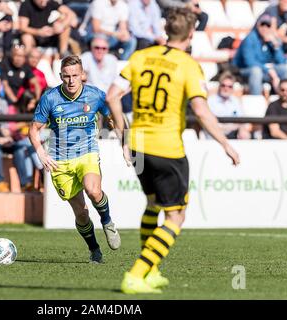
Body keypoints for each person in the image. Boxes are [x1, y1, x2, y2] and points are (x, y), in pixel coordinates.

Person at [106, 7, 240, 294]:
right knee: (176, 216)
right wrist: (226, 143)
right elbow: (201, 111)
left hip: (139, 146)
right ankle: (137, 274)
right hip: (167, 148)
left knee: (153, 203)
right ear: (191, 34)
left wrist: (123, 135)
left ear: (165, 30)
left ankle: (151, 272)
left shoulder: (139, 57)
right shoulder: (188, 65)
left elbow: (112, 95)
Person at [29, 55, 121, 263]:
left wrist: (122, 136)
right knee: (81, 213)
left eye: (74, 76)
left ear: (83, 75)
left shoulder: (95, 95)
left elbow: (113, 115)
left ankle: (107, 222)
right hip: (60, 161)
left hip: (86, 152)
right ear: (61, 76)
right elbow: (34, 129)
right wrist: (41, 152)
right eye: (66, 76)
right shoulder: (50, 98)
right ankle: (94, 249)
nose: (70, 81)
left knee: (94, 191)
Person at [233, 14, 287, 95]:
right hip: (242, 70)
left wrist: (275, 46)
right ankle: (256, 101)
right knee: (256, 71)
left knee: (283, 69)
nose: (265, 28)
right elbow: (249, 62)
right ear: (258, 25)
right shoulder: (250, 38)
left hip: (263, 70)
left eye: (268, 25)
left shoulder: (271, 40)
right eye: (263, 24)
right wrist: (268, 70)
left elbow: (281, 61)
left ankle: (284, 98)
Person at [206, 72, 252, 139]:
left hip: (233, 133)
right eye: (223, 85)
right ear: (219, 86)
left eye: (229, 86)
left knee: (245, 134)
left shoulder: (235, 101)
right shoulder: (211, 101)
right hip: (216, 134)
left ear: (232, 88)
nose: (226, 88)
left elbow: (242, 119)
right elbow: (210, 123)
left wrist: (241, 129)